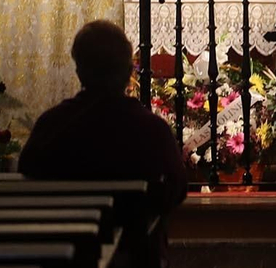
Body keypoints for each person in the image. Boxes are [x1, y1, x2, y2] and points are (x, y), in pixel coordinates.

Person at [19, 20, 187, 214]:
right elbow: (177, 188)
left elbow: (27, 172)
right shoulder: (152, 130)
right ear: (128, 71)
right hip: (134, 240)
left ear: (79, 71)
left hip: (69, 237)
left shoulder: (52, 125)